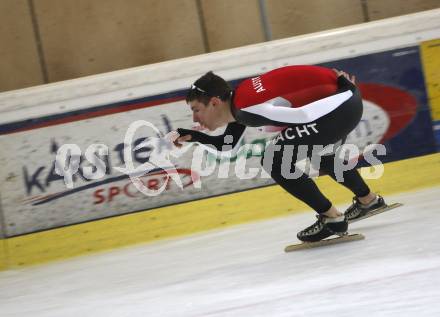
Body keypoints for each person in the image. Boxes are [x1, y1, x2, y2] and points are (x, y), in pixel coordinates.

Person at [174, 65, 386, 242]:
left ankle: (331, 219)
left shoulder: (247, 107)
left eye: (195, 110)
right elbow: (227, 145)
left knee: (274, 159)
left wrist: (347, 91)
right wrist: (194, 137)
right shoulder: (239, 102)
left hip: (339, 102)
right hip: (342, 104)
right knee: (319, 152)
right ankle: (369, 200)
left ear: (214, 102)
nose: (195, 119)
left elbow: (304, 114)